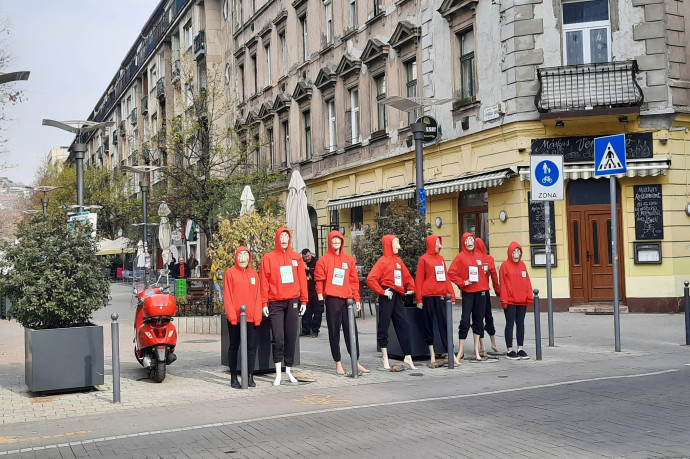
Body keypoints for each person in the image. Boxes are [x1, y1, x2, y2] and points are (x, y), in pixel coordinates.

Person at [314, 230, 370, 375]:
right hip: (332, 299)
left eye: (338, 240)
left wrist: (357, 298)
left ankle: (355, 361)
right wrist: (320, 297)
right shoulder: (324, 260)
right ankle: (337, 362)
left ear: (342, 242)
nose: (336, 243)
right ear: (330, 242)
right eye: (333, 240)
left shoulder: (349, 259)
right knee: (334, 331)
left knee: (351, 330)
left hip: (347, 300)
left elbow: (353, 281)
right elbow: (319, 280)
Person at [259, 227, 308, 386]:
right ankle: (278, 372)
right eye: (282, 236)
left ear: (290, 238)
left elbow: (302, 279)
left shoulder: (296, 258)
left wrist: (304, 300)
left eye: (287, 236)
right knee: (278, 338)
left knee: (291, 336)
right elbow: (264, 281)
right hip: (276, 302)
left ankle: (288, 370)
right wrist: (264, 302)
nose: (284, 239)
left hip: (293, 301)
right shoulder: (269, 258)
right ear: (277, 238)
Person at [366, 235, 417, 370]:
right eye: (395, 243)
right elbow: (370, 279)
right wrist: (382, 292)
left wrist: (411, 287)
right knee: (384, 325)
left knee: (404, 325)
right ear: (389, 245)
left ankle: (407, 355)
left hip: (398, 296)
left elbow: (407, 277)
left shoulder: (399, 261)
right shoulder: (382, 262)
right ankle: (385, 358)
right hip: (387, 295)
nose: (398, 246)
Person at [448, 232, 492, 364]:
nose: (470, 242)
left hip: (481, 292)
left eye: (472, 239)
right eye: (467, 240)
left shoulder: (480, 256)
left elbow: (486, 269)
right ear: (463, 242)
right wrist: (463, 282)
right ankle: (460, 351)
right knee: (465, 321)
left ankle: (476, 350)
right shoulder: (460, 257)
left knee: (479, 321)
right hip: (468, 293)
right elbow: (451, 273)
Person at [223, 247, 262, 388]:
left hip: (250, 317)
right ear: (236, 257)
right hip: (236, 317)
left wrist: (257, 316)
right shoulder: (230, 273)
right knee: (234, 346)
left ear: (249, 257)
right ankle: (234, 377)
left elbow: (258, 296)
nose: (243, 258)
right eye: (240, 255)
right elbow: (227, 295)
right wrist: (232, 317)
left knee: (250, 347)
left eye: (246, 254)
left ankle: (250, 376)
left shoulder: (253, 274)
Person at [415, 235, 455, 364]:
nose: (439, 245)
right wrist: (419, 299)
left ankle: (450, 353)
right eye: (437, 242)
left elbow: (446, 278)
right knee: (428, 324)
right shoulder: (423, 259)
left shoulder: (441, 259)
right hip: (428, 296)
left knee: (444, 323)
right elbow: (419, 280)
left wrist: (451, 294)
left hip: (441, 296)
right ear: (431, 244)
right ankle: (431, 353)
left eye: (440, 242)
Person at [499, 241, 533, 360]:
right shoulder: (505, 265)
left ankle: (520, 348)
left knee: (520, 324)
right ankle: (509, 350)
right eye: (514, 252)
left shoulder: (523, 265)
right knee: (509, 324)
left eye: (518, 252)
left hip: (522, 301)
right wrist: (504, 300)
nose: (516, 254)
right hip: (510, 301)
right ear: (510, 253)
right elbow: (502, 284)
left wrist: (529, 297)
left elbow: (527, 282)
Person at [474, 238, 501, 356]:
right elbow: (494, 277)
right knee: (488, 316)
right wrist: (498, 292)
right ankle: (493, 343)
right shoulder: (489, 259)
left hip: (475, 292)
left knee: (477, 318)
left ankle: (482, 345)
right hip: (486, 292)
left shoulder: (473, 258)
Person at [300, 248, 323, 338]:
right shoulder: (301, 262)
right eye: (305, 257)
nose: (308, 258)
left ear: (311, 254)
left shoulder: (317, 262)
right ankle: (305, 330)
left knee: (317, 312)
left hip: (316, 291)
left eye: (309, 256)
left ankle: (315, 330)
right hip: (306, 291)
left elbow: (319, 275)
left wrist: (309, 271)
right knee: (306, 312)